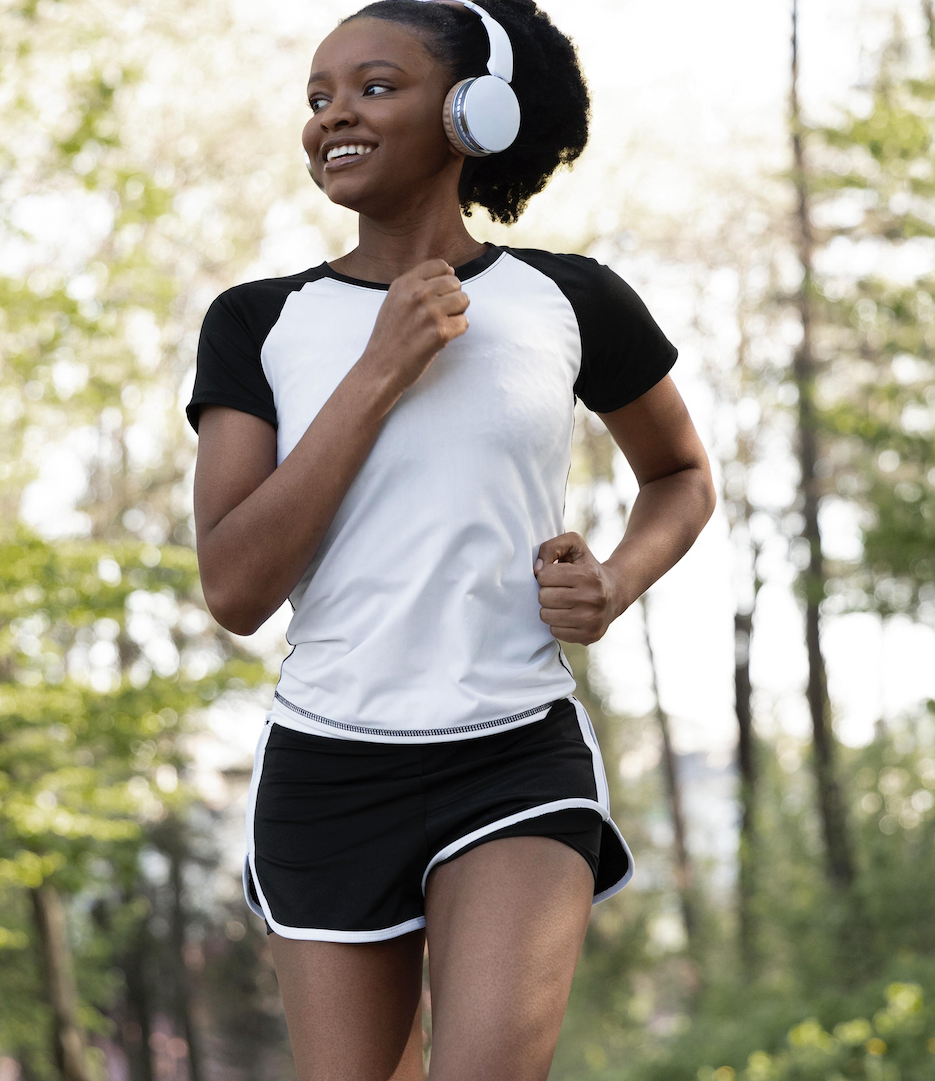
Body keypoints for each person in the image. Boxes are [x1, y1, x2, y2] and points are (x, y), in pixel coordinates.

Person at [187, 1, 712, 1077]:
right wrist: (379, 370)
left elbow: (680, 475)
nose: (334, 114)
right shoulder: (255, 322)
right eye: (318, 97)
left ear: (473, 112)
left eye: (375, 87)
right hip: (326, 767)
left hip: (513, 750)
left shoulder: (568, 299)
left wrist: (613, 582)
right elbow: (235, 587)